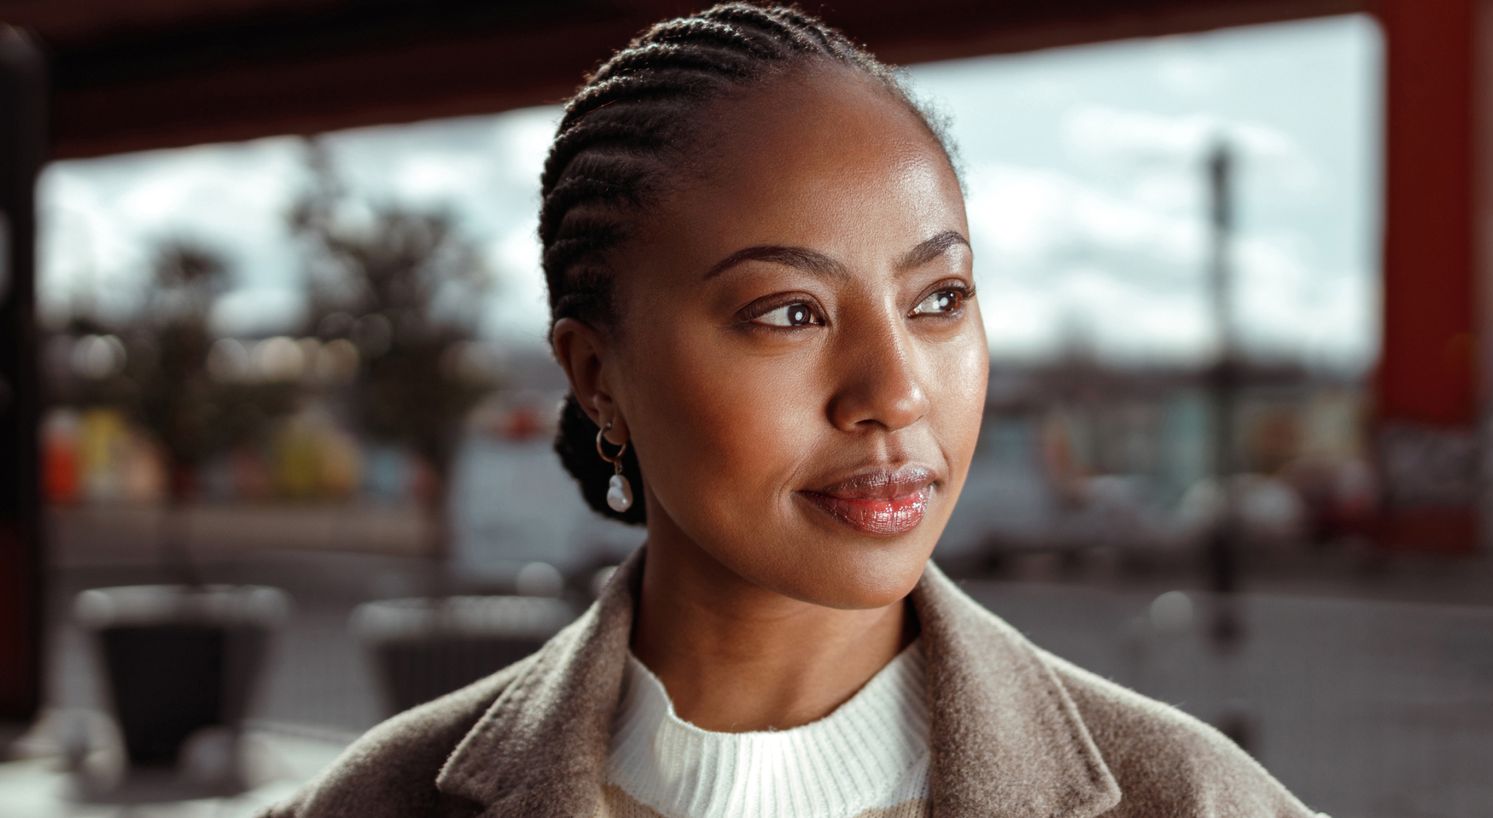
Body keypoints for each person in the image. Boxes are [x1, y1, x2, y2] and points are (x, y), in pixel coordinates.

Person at [258, 4, 1331, 816]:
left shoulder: (1196, 799)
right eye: (789, 311)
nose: (897, 389)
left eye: (940, 299)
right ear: (597, 375)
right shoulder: (375, 802)